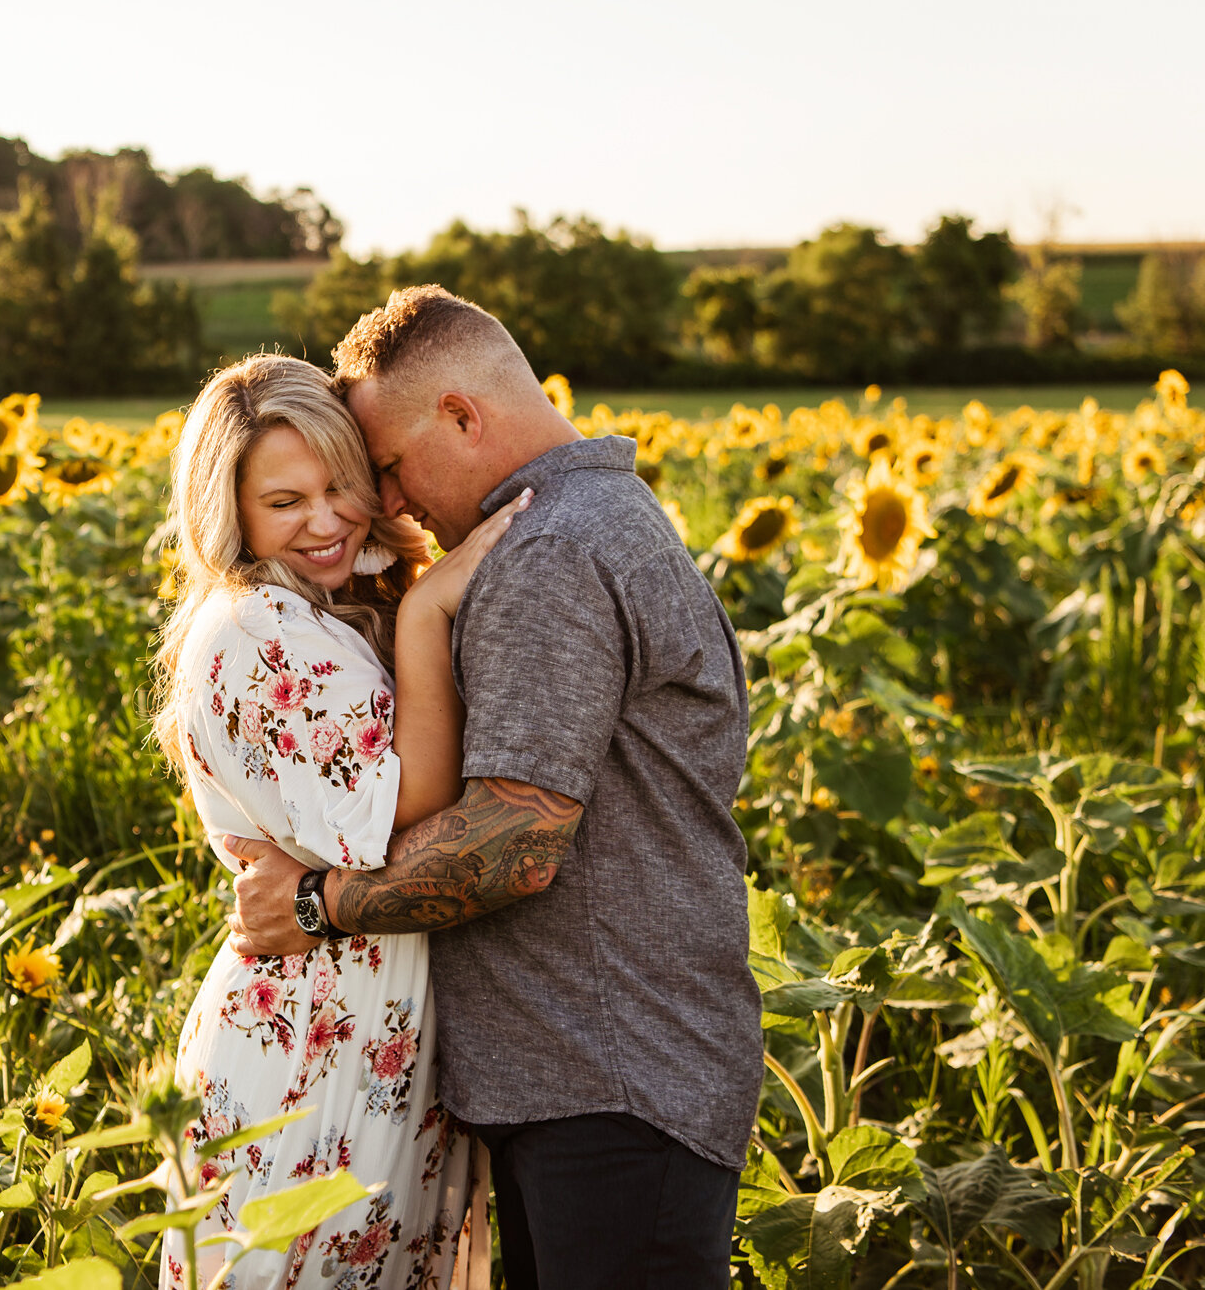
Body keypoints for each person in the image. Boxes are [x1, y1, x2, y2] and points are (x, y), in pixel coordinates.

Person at [223, 286, 762, 1290]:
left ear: (463, 417)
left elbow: (512, 839)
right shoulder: (599, 516)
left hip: (605, 1082)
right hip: (611, 1071)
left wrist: (314, 901)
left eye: (385, 467)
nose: (386, 503)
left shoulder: (547, 552)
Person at [150, 353, 529, 1289]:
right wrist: (432, 604)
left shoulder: (329, 602)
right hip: (313, 1045)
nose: (324, 521)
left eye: (340, 485)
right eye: (285, 501)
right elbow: (402, 803)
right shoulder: (252, 628)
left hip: (378, 1030)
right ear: (227, 509)